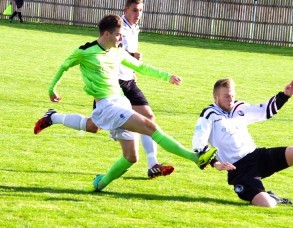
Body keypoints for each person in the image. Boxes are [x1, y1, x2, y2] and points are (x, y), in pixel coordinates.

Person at [35, 14, 217, 192]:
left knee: (131, 157)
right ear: (107, 34)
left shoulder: (118, 51)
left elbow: (140, 67)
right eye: (118, 34)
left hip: (121, 103)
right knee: (150, 127)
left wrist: (167, 76)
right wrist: (52, 89)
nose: (121, 37)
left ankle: (100, 183)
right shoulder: (85, 51)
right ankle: (195, 158)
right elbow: (64, 66)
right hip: (107, 106)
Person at [34, 0, 175, 179]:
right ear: (126, 10)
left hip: (128, 83)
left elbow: (127, 57)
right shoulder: (116, 27)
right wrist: (52, 88)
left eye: (140, 10)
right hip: (111, 86)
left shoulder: (134, 28)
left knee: (147, 117)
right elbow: (112, 50)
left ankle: (153, 164)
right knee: (93, 127)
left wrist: (156, 72)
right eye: (135, 10)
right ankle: (54, 117)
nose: (138, 14)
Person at [192, 77, 293, 207]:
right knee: (268, 205)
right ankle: (272, 197)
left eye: (232, 95)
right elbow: (199, 146)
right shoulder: (209, 114)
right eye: (226, 96)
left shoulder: (239, 107)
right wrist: (216, 164)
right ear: (215, 97)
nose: (230, 99)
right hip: (239, 171)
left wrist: (285, 95)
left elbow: (264, 111)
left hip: (257, 157)